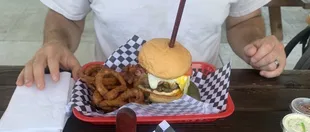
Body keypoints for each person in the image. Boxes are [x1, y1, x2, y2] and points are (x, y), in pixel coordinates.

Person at [16, 0, 286, 90]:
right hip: (114, 95)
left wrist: (256, 46)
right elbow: (65, 15)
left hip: (197, 95)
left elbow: (244, 20)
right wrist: (54, 42)